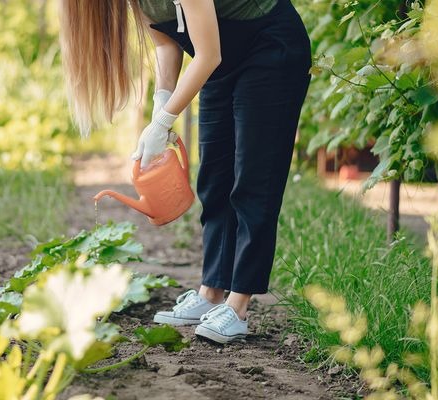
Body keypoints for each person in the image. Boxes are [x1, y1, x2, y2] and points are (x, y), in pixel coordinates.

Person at [59, 0, 311, 344]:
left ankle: (238, 307)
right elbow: (166, 42)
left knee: (254, 181)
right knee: (214, 180)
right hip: (222, 62)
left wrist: (165, 122)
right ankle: (211, 292)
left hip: (270, 48)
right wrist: (160, 103)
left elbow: (207, 55)